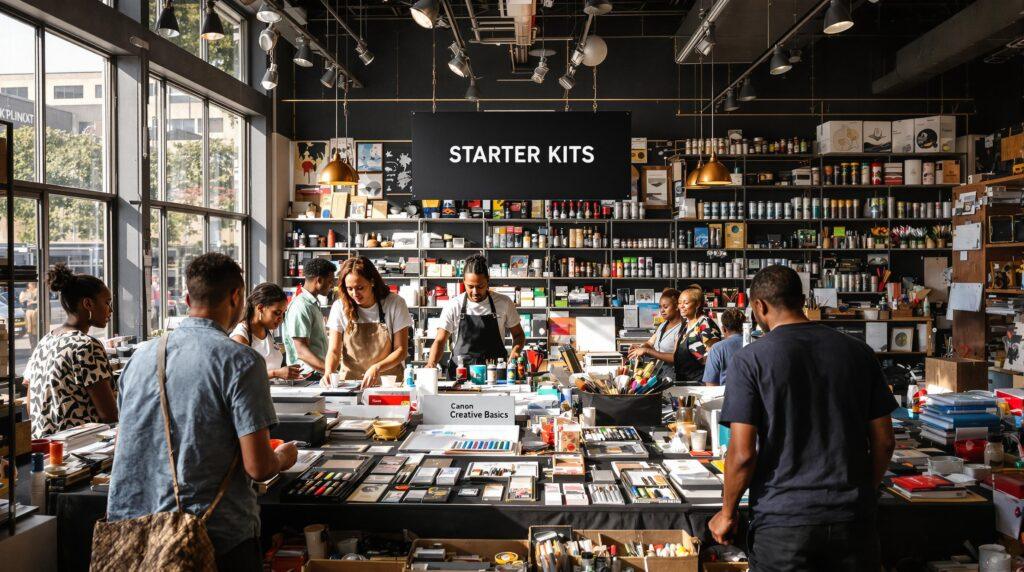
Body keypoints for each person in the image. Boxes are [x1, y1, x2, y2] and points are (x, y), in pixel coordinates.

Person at [108, 253, 298, 571]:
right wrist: (285, 457)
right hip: (212, 534)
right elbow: (259, 467)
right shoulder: (241, 361)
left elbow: (126, 442)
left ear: (186, 298)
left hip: (139, 532)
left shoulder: (140, 358)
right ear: (237, 298)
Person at [709, 265, 897, 571]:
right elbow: (885, 441)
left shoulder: (750, 359)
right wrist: (862, 493)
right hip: (853, 522)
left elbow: (743, 454)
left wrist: (727, 512)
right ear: (802, 299)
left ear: (760, 306)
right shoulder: (859, 353)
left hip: (783, 523)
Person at [23, 264, 116, 439]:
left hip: (45, 447)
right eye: (107, 302)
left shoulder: (45, 341)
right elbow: (109, 415)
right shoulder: (86, 346)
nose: (110, 310)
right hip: (80, 448)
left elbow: (30, 401)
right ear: (88, 303)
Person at [425, 254, 526, 378]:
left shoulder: (504, 303)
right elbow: (440, 341)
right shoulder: (453, 305)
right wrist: (431, 363)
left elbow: (518, 335)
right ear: (463, 282)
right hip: (461, 374)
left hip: (494, 374)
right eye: (470, 286)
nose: (475, 292)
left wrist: (515, 353)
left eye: (480, 286)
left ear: (488, 280)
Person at [324, 257, 412, 388]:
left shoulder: (395, 303)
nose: (355, 294)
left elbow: (401, 350)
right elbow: (334, 350)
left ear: (372, 282)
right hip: (350, 384)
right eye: (349, 289)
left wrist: (377, 367)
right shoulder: (339, 307)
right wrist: (329, 371)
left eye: (360, 287)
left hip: (388, 384)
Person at [230, 283, 302, 382]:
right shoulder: (241, 336)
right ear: (260, 308)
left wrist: (289, 372)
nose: (280, 318)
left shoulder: (267, 331)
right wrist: (276, 373)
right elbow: (241, 375)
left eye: (283, 313)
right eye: (277, 313)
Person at [283, 257, 337, 376]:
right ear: (319, 280)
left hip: (319, 373)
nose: (332, 285)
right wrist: (330, 371)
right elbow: (301, 351)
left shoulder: (312, 303)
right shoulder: (301, 306)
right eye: (330, 281)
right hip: (309, 375)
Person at [627, 288, 682, 383]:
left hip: (672, 375)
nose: (662, 311)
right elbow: (650, 343)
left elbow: (675, 358)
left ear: (677, 306)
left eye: (665, 307)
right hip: (658, 372)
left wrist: (647, 351)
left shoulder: (683, 328)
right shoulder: (663, 325)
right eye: (660, 307)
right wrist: (639, 348)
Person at [673, 285, 722, 383]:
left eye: (686, 303)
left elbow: (714, 359)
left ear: (697, 304)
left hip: (700, 383)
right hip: (684, 382)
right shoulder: (685, 326)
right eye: (679, 303)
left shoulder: (705, 324)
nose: (681, 306)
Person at [702, 307, 746, 386]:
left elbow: (710, 385)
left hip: (725, 396)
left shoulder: (717, 348)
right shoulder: (755, 344)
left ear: (723, 329)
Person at [20, 282, 39, 348]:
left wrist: (33, 301)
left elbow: (41, 299)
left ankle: (36, 343)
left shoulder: (38, 290)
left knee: (35, 327)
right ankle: (32, 344)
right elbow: (21, 300)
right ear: (28, 284)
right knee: (30, 328)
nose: (32, 284)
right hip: (29, 311)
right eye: (31, 283)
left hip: (36, 311)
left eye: (33, 283)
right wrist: (27, 300)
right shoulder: (24, 291)